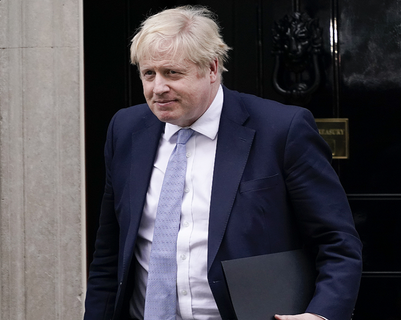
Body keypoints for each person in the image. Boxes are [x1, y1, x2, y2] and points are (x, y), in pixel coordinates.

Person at [84, 5, 362, 320]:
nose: (157, 88)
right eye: (149, 73)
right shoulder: (125, 129)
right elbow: (108, 251)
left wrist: (321, 314)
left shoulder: (282, 130)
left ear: (213, 68)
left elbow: (336, 241)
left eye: (172, 73)